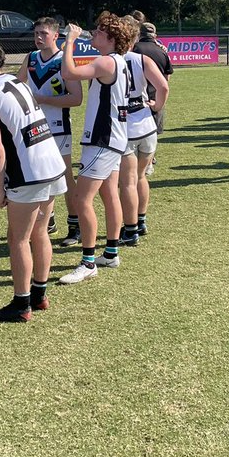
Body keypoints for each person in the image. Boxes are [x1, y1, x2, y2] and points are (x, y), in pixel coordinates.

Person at [0, 38, 67, 319]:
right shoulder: (16, 81)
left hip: (29, 170)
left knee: (18, 239)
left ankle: (22, 304)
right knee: (40, 232)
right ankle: (39, 294)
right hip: (51, 162)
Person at [58, 14, 137, 283]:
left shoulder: (106, 61)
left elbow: (68, 73)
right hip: (114, 137)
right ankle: (111, 252)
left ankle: (88, 261)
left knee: (82, 199)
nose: (93, 34)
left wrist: (69, 40)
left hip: (102, 139)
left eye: (100, 32)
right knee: (109, 194)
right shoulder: (119, 61)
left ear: (112, 39)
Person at [19, 17, 83, 245]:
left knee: (65, 177)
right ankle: (49, 219)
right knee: (37, 175)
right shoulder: (31, 58)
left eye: (43, 33)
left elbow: (76, 98)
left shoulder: (64, 60)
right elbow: (17, 85)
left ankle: (75, 225)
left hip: (58, 128)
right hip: (33, 128)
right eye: (36, 33)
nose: (38, 37)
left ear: (56, 36)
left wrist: (43, 99)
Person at [120, 25, 170, 245]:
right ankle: (140, 221)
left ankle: (130, 230)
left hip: (126, 127)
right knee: (140, 177)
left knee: (127, 183)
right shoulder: (142, 59)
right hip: (147, 125)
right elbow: (163, 87)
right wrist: (156, 106)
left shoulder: (109, 61)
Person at [134, 21, 174, 177]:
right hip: (156, 95)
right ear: (155, 35)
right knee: (153, 131)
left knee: (135, 131)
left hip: (136, 96)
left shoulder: (134, 49)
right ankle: (149, 161)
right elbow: (166, 78)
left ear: (139, 34)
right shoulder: (162, 51)